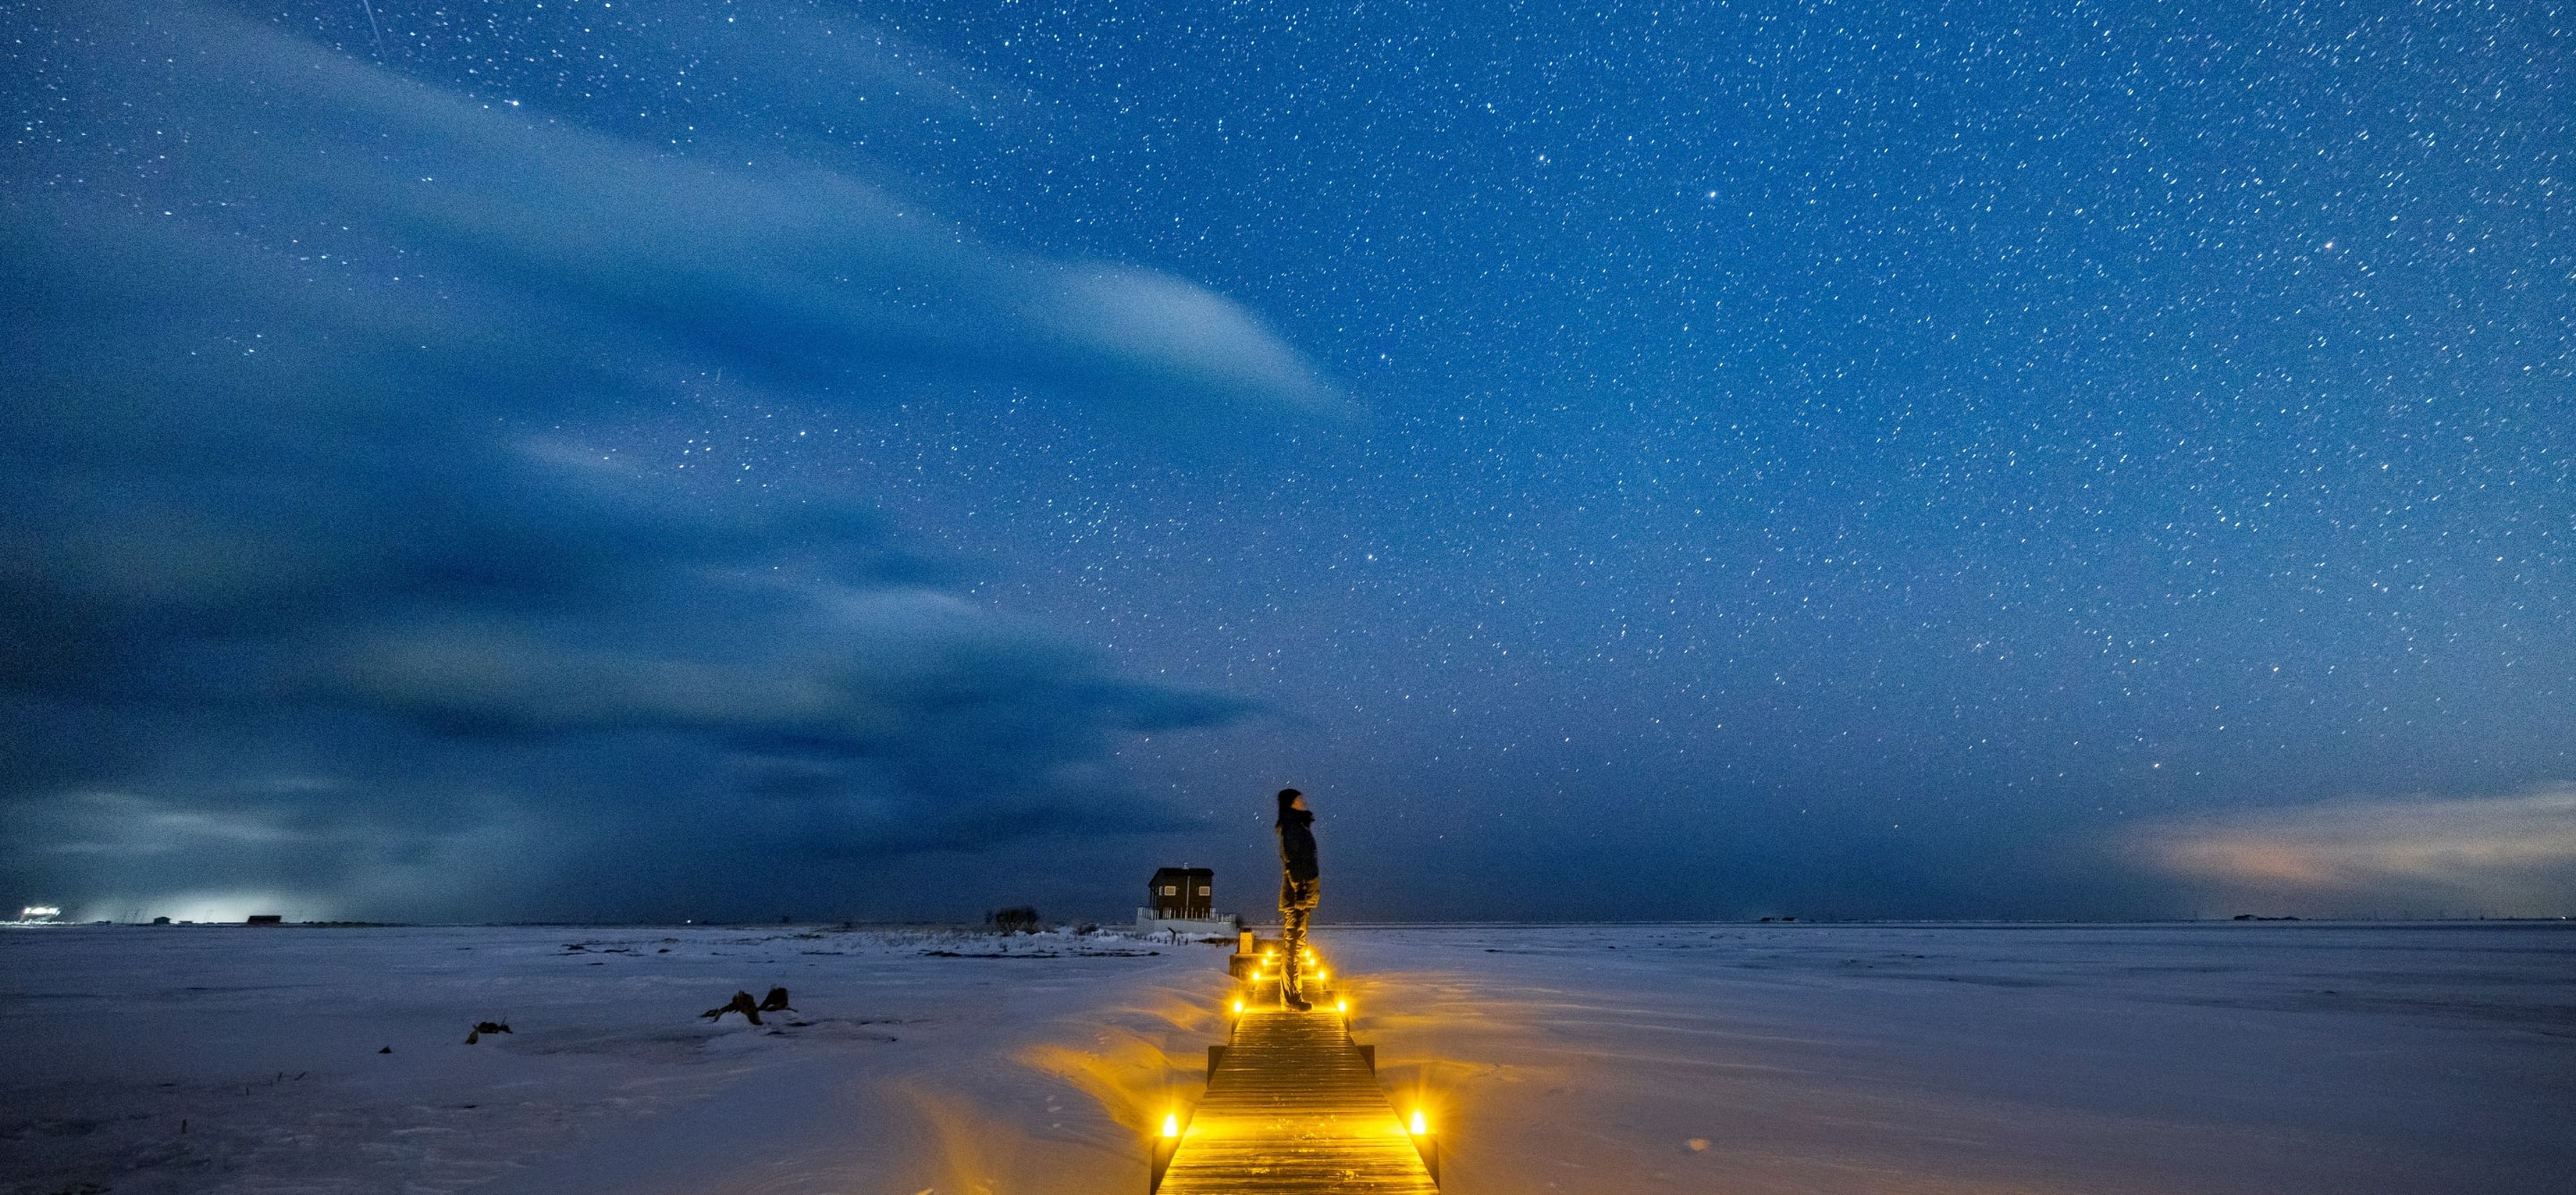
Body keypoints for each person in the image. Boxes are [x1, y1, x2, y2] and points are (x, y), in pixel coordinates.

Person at [1275, 787, 1319, 1011]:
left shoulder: (1298, 825)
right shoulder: (1292, 827)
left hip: (1302, 895)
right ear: (1291, 803)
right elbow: (1291, 860)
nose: (1303, 800)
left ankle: (1293, 996)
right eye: (1299, 798)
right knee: (1293, 948)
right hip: (1296, 897)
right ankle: (1291, 998)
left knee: (1297, 947)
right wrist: (1300, 889)